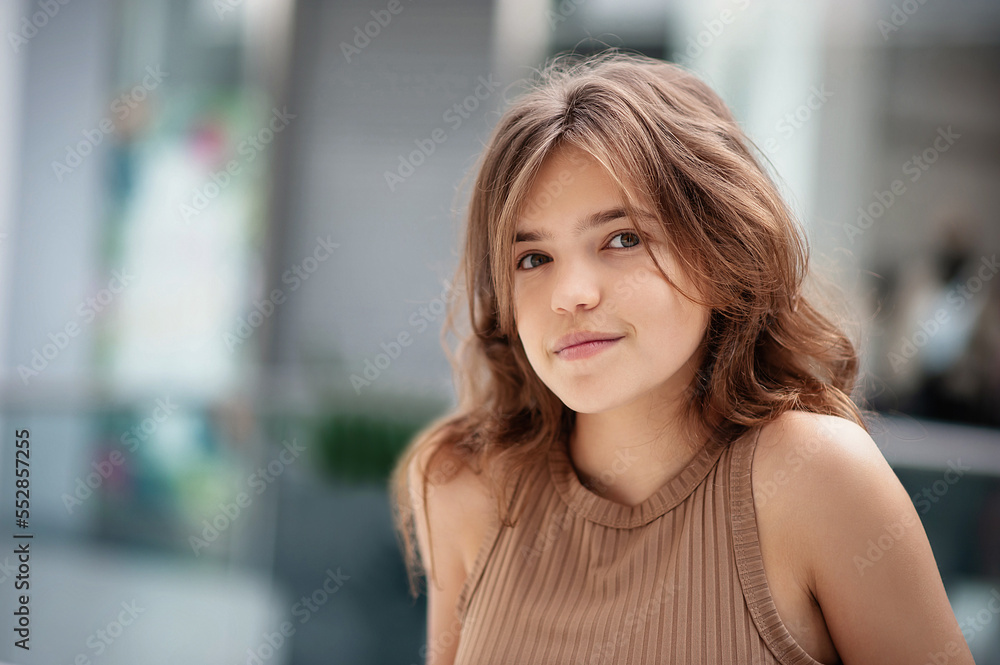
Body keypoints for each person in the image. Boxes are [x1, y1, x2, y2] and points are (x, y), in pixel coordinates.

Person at [388, 50, 975, 665]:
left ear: (719, 253)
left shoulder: (815, 478)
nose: (570, 295)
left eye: (622, 239)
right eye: (532, 258)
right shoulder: (466, 484)